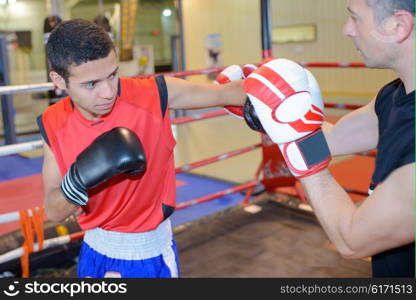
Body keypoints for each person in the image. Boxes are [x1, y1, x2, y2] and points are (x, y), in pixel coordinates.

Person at [37, 18, 246, 278]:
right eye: (91, 84)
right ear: (58, 80)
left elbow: (227, 94)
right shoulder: (53, 123)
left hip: (150, 256)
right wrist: (79, 180)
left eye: (112, 75)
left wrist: (280, 86)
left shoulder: (153, 94)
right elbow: (54, 211)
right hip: (93, 254)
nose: (107, 92)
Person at [242, 0, 414, 277]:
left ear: (398, 25)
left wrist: (305, 164)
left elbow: (352, 240)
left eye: (355, 18)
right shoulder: (393, 97)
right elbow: (331, 138)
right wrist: (268, 109)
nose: (347, 30)